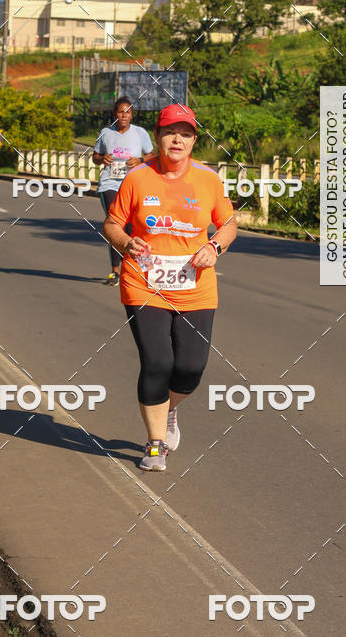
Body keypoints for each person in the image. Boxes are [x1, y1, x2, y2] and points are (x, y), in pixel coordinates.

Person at [103, 104, 237, 471]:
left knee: (191, 367)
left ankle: (168, 409)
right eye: (170, 132)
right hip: (143, 282)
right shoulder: (138, 178)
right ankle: (155, 444)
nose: (177, 139)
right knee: (158, 362)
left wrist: (214, 247)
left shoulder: (208, 180)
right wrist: (126, 242)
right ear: (158, 137)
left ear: (194, 140)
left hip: (196, 286)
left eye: (185, 134)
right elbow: (112, 224)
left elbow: (228, 224)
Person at [93, 96, 154, 285]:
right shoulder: (105, 133)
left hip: (133, 184)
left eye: (127, 112)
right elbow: (95, 156)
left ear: (132, 114)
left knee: (134, 227)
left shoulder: (140, 133)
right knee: (116, 226)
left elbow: (151, 155)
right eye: (121, 112)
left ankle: (140, 269)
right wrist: (102, 159)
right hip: (110, 184)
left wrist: (140, 161)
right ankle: (115, 272)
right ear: (115, 114)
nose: (124, 115)